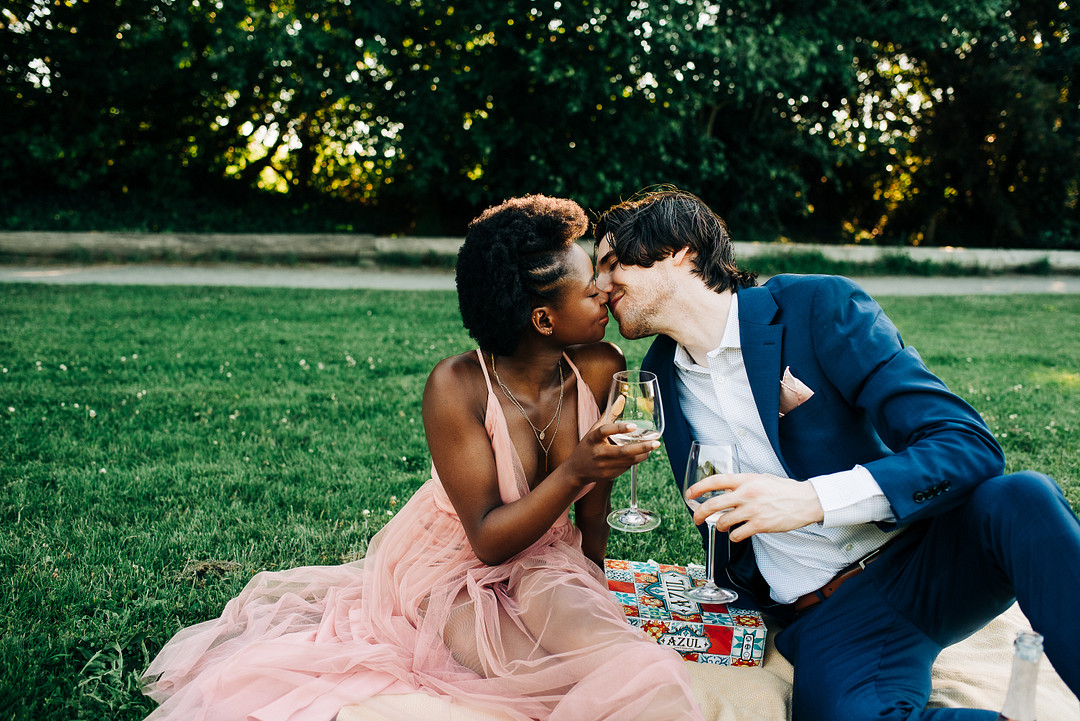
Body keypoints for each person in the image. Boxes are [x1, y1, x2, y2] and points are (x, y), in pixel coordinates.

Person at [140, 194, 703, 721]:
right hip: (451, 570)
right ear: (542, 319)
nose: (606, 289)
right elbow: (487, 541)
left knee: (625, 664)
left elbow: (592, 509)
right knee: (533, 679)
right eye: (589, 288)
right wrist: (578, 467)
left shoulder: (602, 366)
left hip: (549, 557)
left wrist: (593, 580)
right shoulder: (455, 387)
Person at [592, 187, 1080, 720]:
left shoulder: (820, 307)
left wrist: (814, 499)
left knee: (1022, 498)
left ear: (680, 249)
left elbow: (967, 446)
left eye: (613, 263)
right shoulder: (656, 377)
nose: (599, 285)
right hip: (830, 612)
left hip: (930, 559)